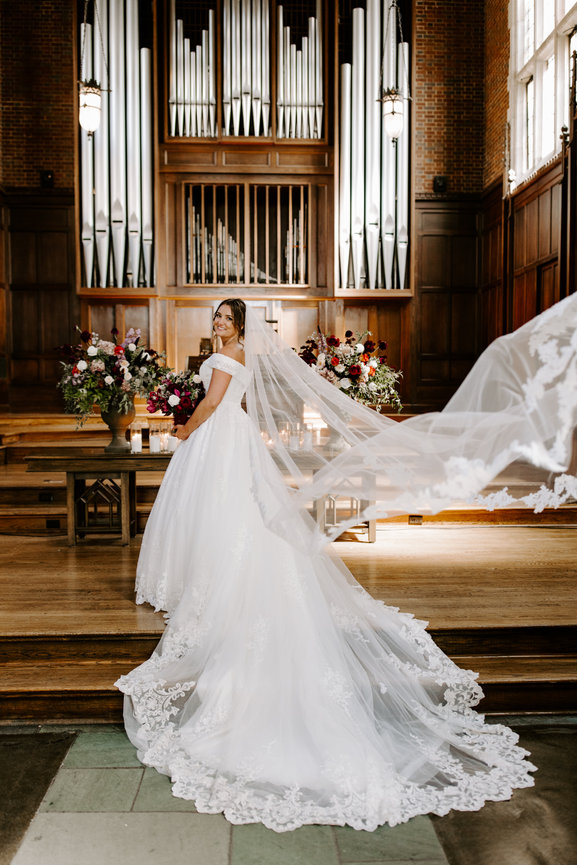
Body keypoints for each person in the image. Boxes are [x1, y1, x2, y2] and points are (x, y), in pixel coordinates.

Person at [116, 294, 577, 832]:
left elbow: (213, 405)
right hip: (229, 442)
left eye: (225, 318)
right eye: (215, 317)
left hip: (217, 437)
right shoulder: (236, 355)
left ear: (239, 325)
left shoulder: (226, 358)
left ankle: (210, 580)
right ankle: (206, 574)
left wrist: (183, 431)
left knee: (221, 512)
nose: (217, 323)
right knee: (225, 512)